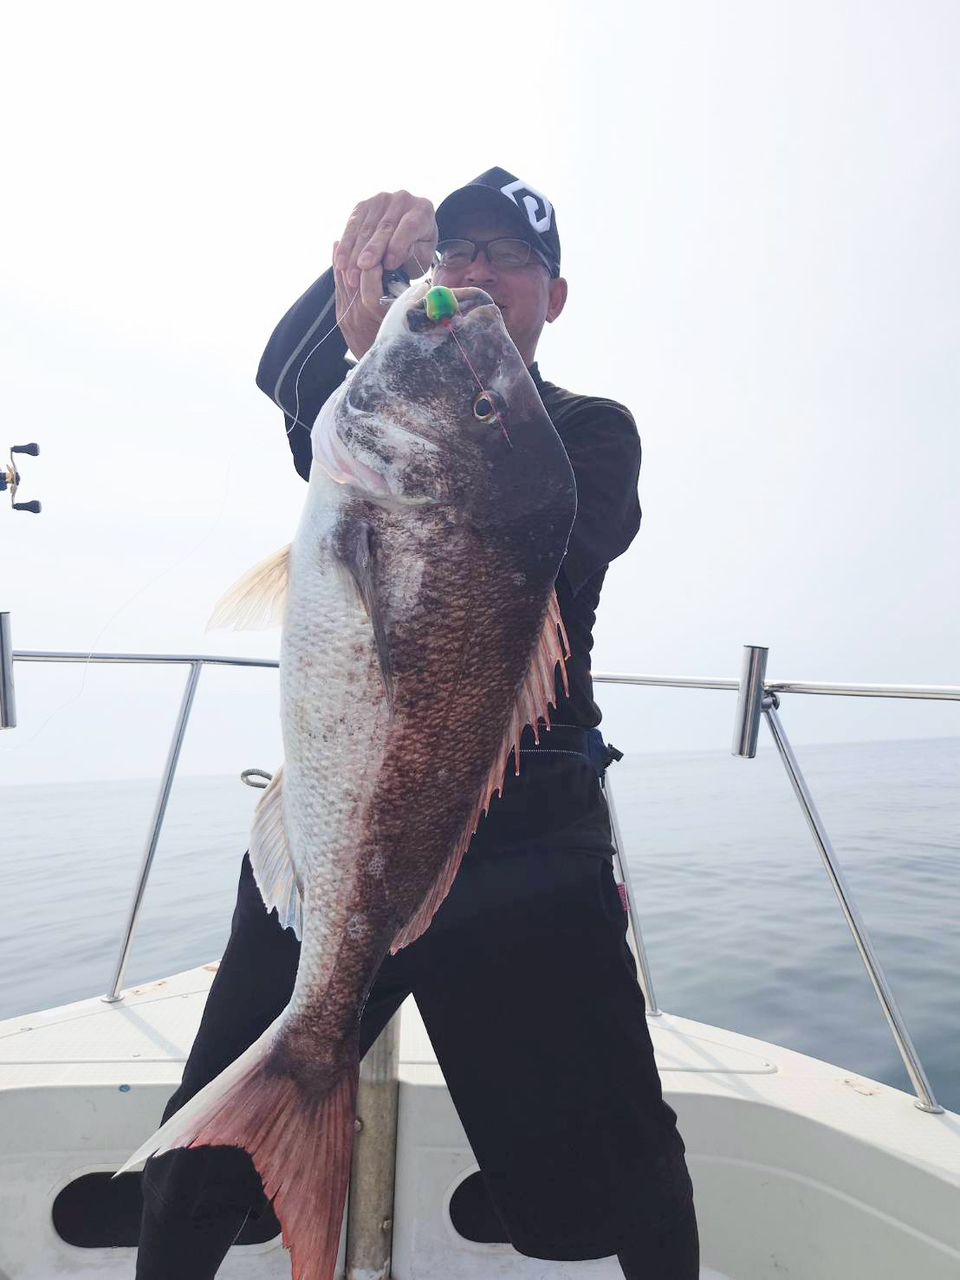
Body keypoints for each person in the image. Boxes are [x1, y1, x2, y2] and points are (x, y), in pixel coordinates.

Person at [135, 168, 699, 1279]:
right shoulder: (372, 423)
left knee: (617, 1172)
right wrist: (354, 303)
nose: (477, 272)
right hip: (345, 830)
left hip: (528, 837)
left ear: (556, 294)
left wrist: (400, 375)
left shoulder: (586, 435)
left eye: (508, 257)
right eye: (457, 254)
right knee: (194, 1163)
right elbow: (298, 394)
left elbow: (549, 521)